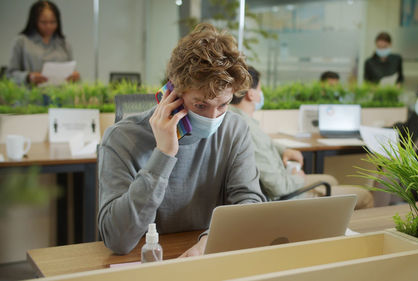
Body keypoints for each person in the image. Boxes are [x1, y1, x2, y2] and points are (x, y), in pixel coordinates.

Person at [98, 23, 266, 256]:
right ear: (171, 92)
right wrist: (164, 154)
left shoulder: (234, 129)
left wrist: (210, 241)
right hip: (143, 264)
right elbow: (118, 240)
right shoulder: (121, 138)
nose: (213, 116)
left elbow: (249, 202)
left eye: (223, 105)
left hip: (206, 259)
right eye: (200, 105)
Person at [230, 66, 374, 209]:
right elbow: (278, 187)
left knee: (331, 179)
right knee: (365, 196)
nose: (262, 93)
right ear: (251, 94)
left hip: (283, 187)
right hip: (285, 198)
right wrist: (298, 178)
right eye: (260, 89)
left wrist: (284, 150)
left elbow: (262, 145)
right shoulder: (246, 129)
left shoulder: (237, 119)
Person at [7, 1, 80, 86]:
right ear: (34, 22)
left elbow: (72, 71)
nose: (48, 26)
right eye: (43, 22)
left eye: (52, 22)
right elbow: (9, 75)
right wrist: (28, 77)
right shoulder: (22, 42)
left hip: (60, 95)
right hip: (31, 96)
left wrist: (75, 76)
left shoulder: (63, 44)